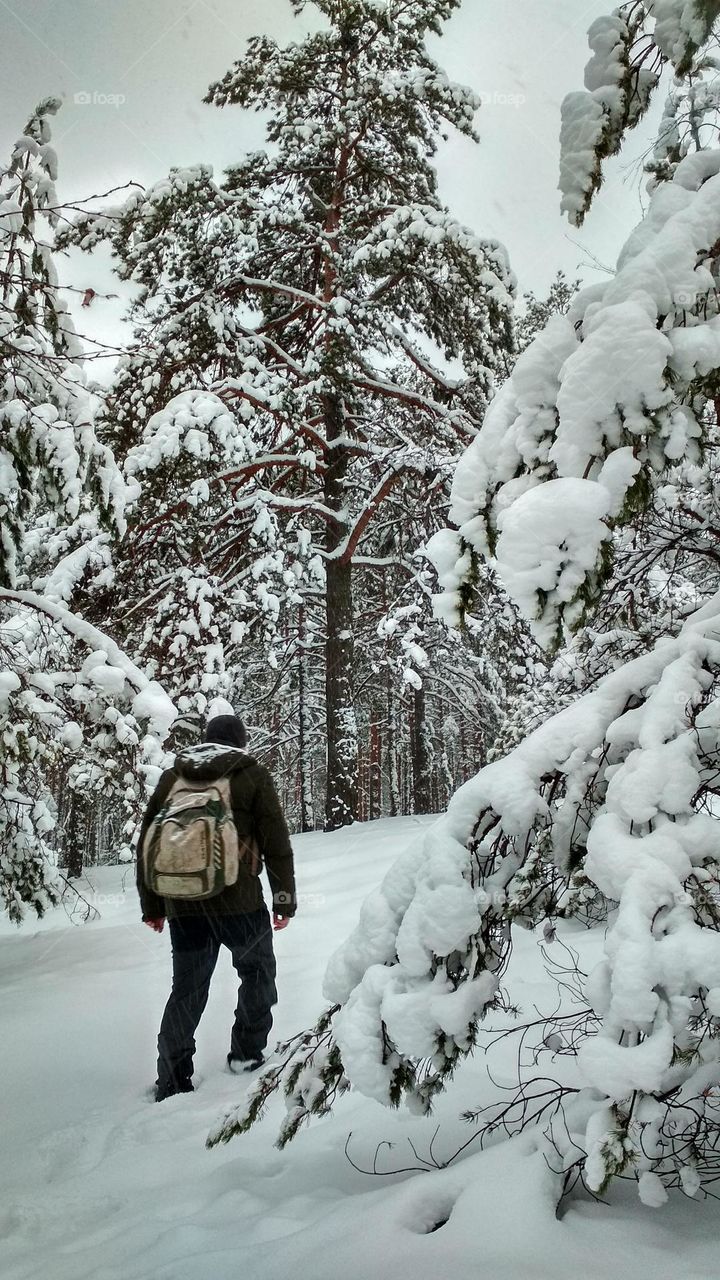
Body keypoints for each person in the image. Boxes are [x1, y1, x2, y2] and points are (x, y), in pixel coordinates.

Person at [136, 714, 296, 1102]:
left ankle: (172, 1080)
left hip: (184, 904)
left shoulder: (173, 777)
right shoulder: (251, 774)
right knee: (257, 974)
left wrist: (153, 905)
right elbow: (275, 841)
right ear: (240, 742)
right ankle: (246, 1055)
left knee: (187, 989)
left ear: (206, 740)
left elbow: (147, 843)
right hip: (240, 904)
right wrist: (284, 901)